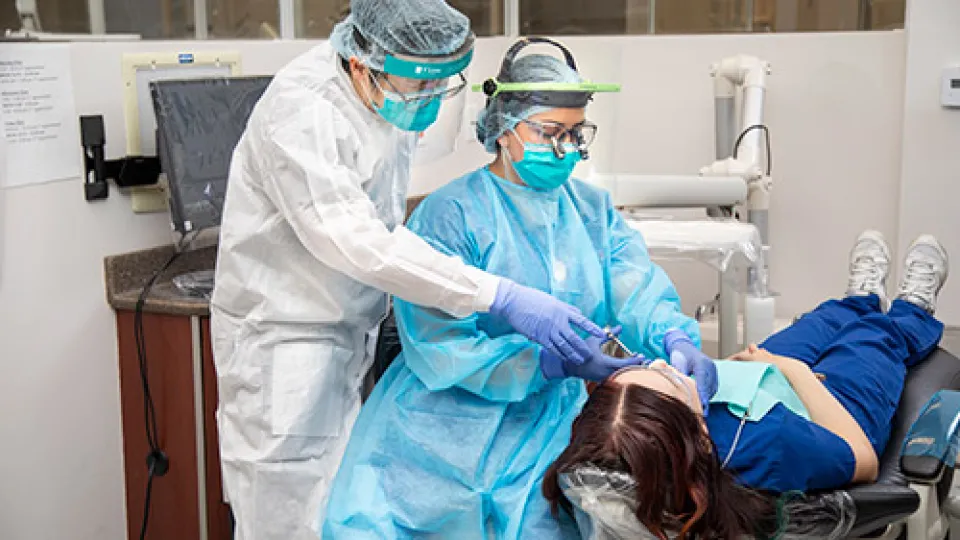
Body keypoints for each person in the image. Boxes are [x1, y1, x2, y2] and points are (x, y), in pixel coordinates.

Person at [209, 3, 608, 539]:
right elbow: (358, 241)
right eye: (416, 88)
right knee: (284, 513)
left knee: (335, 508)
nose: (428, 103)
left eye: (441, 86)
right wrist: (500, 295)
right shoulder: (303, 112)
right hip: (284, 338)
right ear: (360, 65)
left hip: (351, 328)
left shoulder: (385, 98)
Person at [322, 37, 707, 539]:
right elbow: (439, 345)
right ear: (503, 129)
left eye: (576, 133)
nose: (566, 148)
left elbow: (638, 289)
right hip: (449, 419)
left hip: (556, 416)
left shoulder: (591, 211)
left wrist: (675, 337)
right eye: (550, 132)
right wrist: (541, 361)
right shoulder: (453, 215)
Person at [543, 230, 950, 539]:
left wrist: (745, 368)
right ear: (699, 433)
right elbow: (862, 456)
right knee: (873, 338)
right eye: (670, 378)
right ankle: (912, 307)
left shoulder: (624, 443)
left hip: (755, 381)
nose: (667, 366)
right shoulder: (769, 444)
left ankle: (859, 298)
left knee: (818, 323)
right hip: (829, 408)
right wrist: (797, 374)